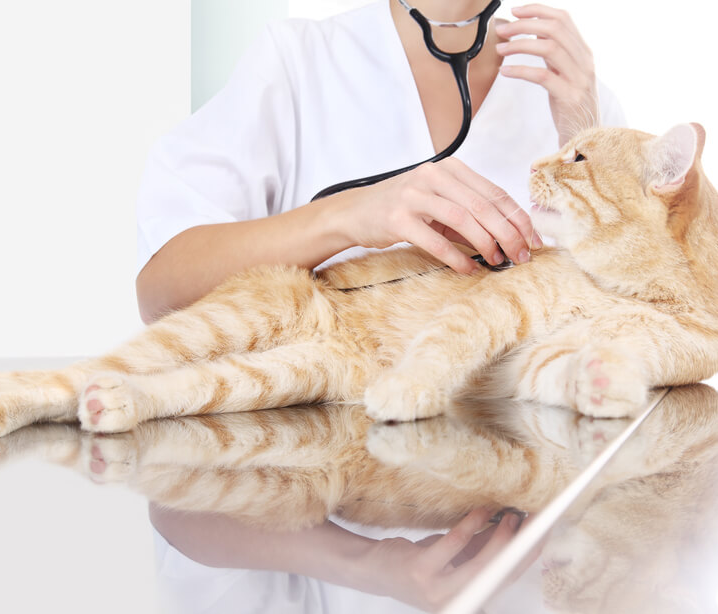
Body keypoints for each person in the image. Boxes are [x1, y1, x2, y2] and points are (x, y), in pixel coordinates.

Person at [138, 1, 626, 610]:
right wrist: (349, 214)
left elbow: (633, 311)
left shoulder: (571, 88)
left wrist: (581, 127)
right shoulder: (300, 61)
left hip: (520, 477)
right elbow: (163, 288)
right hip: (308, 464)